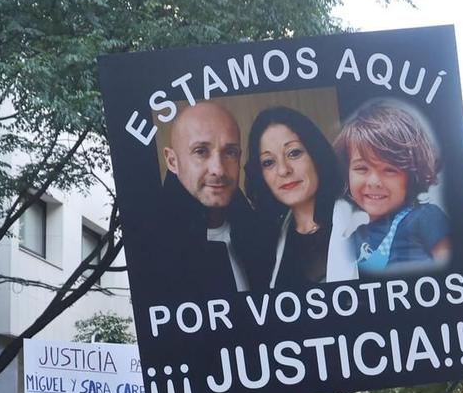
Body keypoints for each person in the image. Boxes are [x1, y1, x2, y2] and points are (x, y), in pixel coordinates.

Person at [136, 101, 266, 302]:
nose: (218, 169)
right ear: (172, 161)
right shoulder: (150, 249)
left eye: (230, 152)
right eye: (201, 151)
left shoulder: (263, 237)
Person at [333, 98, 452, 276]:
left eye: (389, 170)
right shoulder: (352, 237)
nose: (374, 181)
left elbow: (454, 273)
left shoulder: (425, 217)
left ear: (411, 176)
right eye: (361, 168)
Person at [248, 105, 345, 288]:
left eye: (294, 153)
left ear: (316, 155)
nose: (283, 170)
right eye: (268, 162)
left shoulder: (361, 224)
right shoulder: (268, 242)